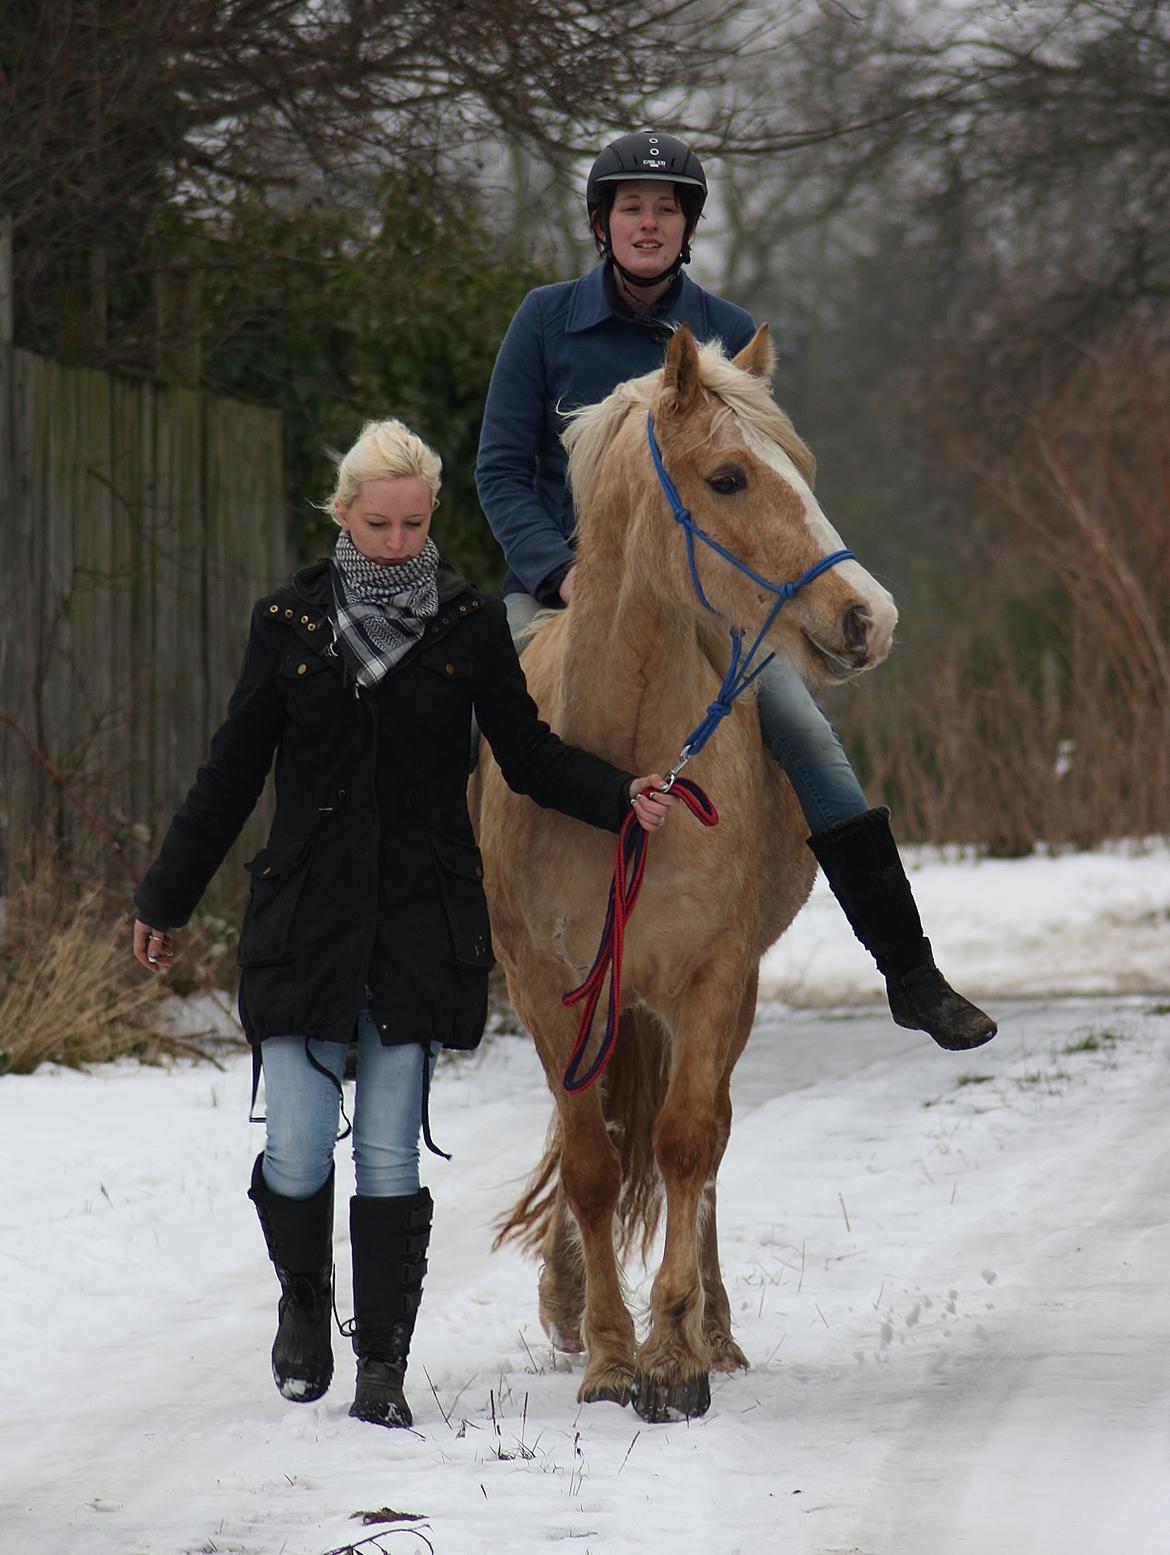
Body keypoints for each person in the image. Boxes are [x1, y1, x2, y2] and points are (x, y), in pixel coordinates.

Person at [132, 417, 678, 1429]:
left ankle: (381, 1365)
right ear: (343, 514)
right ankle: (305, 1305)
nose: (395, 543)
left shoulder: (466, 624)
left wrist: (619, 795)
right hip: (305, 918)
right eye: (377, 524)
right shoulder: (288, 623)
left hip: (420, 921)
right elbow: (229, 773)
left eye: (413, 524)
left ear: (430, 519)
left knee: (390, 1154)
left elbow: (527, 753)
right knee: (297, 1150)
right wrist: (165, 897)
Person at [475, 129, 995, 1052]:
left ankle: (909, 969)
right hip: (558, 594)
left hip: (709, 613)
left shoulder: (725, 331)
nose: (649, 222)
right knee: (474, 719)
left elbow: (759, 486)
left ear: (686, 228)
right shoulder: (544, 321)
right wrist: (560, 569)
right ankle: (454, 945)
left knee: (806, 734)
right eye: (632, 206)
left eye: (666, 209)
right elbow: (502, 471)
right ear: (603, 223)